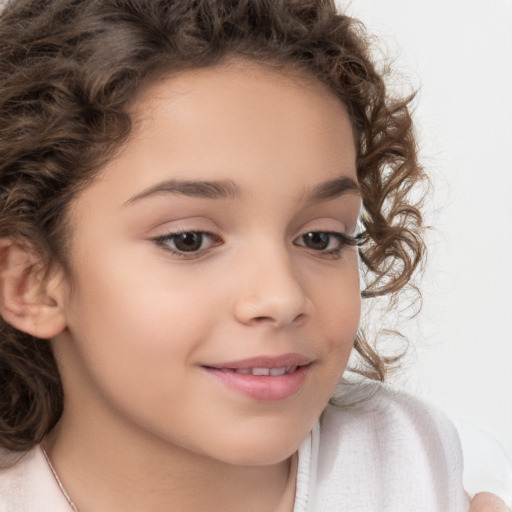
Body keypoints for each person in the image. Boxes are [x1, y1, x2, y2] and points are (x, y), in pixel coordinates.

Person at [0, 0, 509, 510]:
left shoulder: (429, 469)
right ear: (32, 283)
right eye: (189, 240)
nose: (282, 297)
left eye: (320, 238)